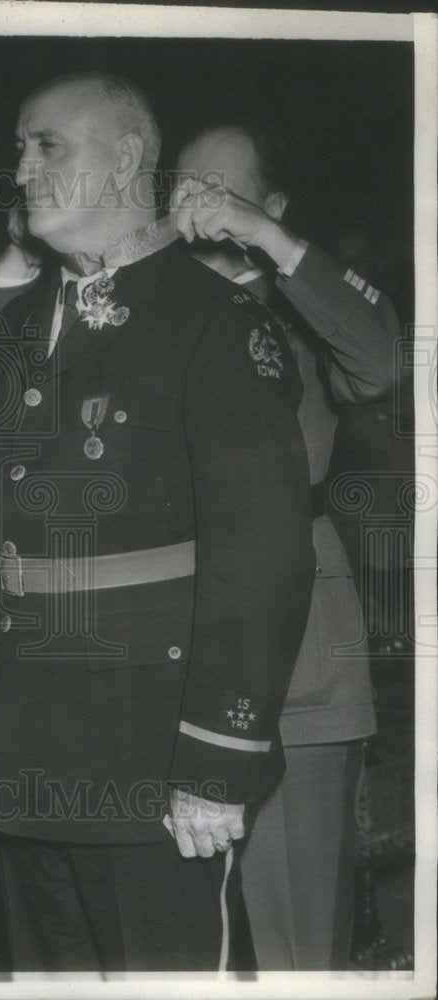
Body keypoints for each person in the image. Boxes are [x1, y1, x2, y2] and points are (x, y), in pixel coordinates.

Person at [0, 72, 315, 972]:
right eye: (18, 147)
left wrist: (214, 764)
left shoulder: (214, 324)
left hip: (152, 765)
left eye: (47, 146)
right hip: (29, 758)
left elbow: (262, 558)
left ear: (126, 158)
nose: (22, 168)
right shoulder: (14, 329)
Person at [173, 121, 398, 970]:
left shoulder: (303, 311)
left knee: (296, 936)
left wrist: (267, 243)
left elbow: (378, 362)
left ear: (271, 205)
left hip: (298, 647)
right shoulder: (139, 302)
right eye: (184, 188)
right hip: (164, 638)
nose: (200, 208)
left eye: (224, 192)